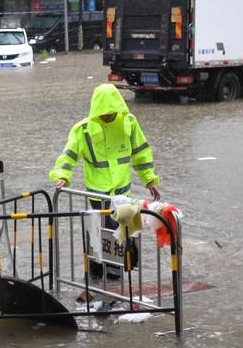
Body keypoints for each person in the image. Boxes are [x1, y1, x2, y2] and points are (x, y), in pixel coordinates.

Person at [49, 83, 161, 276]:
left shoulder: (129, 124)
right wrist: (61, 176)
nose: (107, 116)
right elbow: (68, 156)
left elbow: (141, 154)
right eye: (104, 114)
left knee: (120, 233)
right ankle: (95, 271)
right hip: (96, 192)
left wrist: (149, 180)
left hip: (121, 191)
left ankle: (114, 274)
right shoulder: (83, 130)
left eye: (111, 113)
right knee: (98, 231)